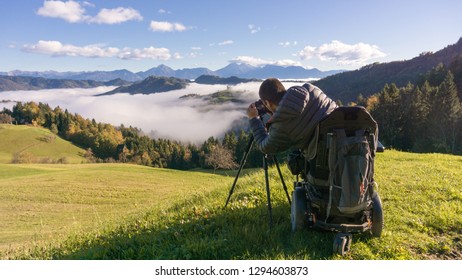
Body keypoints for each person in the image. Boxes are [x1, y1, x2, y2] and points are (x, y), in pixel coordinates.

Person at [247, 78, 338, 160]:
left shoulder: (281, 127)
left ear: (267, 102)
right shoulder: (310, 89)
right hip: (346, 140)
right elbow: (295, 111)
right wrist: (275, 111)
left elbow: (265, 147)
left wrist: (254, 119)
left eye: (264, 103)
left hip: (324, 164)